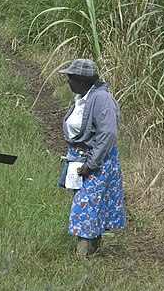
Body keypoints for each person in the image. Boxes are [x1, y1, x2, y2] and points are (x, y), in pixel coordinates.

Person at [58, 58, 126, 256]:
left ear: (81, 80)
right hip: (81, 159)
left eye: (70, 78)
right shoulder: (82, 98)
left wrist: (92, 163)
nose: (68, 82)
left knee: (85, 206)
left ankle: (81, 256)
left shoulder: (102, 99)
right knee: (90, 205)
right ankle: (93, 252)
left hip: (97, 162)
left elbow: (108, 134)